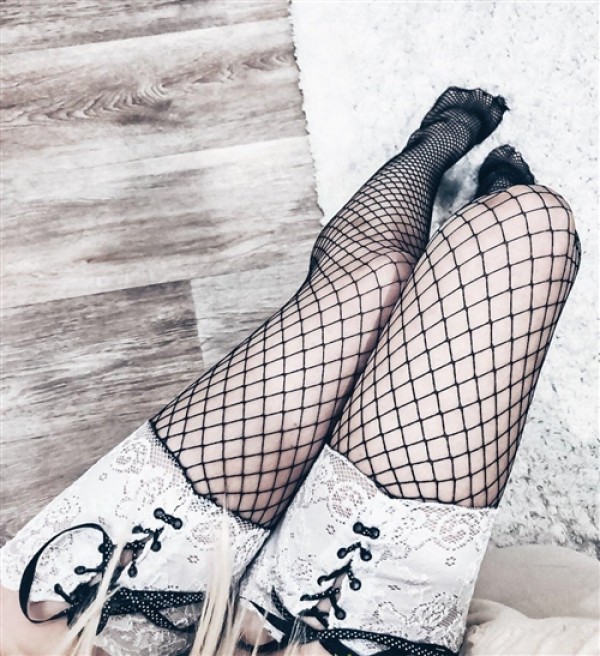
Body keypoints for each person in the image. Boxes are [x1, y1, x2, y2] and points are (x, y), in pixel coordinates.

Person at [0, 87, 581, 656]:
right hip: (305, 641)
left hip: (50, 614)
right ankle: (462, 225)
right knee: (527, 229)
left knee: (373, 286)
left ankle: (430, 148)